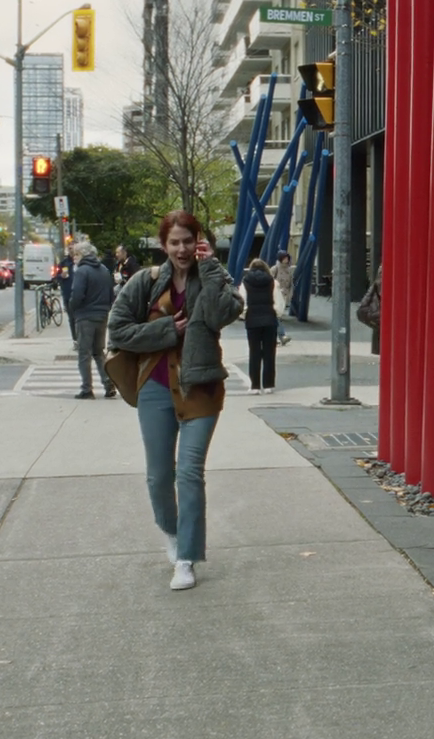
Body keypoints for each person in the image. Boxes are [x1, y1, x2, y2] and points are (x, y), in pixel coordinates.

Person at [107, 211, 245, 591]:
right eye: (175, 242)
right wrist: (166, 329)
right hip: (154, 388)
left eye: (189, 241)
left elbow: (222, 315)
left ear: (199, 241)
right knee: (158, 476)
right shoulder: (145, 281)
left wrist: (212, 268)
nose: (182, 249)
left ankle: (186, 558)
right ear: (163, 245)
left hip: (200, 388)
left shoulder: (213, 276)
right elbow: (118, 330)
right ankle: (171, 531)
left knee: (189, 473)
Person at [66, 240, 117, 400]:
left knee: (84, 353)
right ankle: (109, 384)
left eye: (76, 254)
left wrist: (72, 308)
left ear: (82, 254)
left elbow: (77, 295)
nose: (74, 257)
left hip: (85, 316)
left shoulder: (82, 271)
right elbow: (111, 294)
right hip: (102, 315)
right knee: (98, 352)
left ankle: (87, 388)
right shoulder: (103, 270)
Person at [242, 257, 280, 395]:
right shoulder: (272, 282)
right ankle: (269, 385)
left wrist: (245, 314)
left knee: (254, 352)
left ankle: (255, 386)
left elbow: (242, 301)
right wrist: (276, 314)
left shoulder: (245, 282)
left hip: (252, 320)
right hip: (269, 319)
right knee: (270, 353)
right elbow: (278, 303)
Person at [272, 253, 294, 346]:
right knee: (277, 316)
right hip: (276, 295)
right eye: (284, 258)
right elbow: (270, 281)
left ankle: (276, 337)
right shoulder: (275, 269)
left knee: (277, 316)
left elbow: (291, 284)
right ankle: (281, 336)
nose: (286, 260)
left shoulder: (289, 270)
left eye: (287, 258)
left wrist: (290, 295)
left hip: (284, 295)